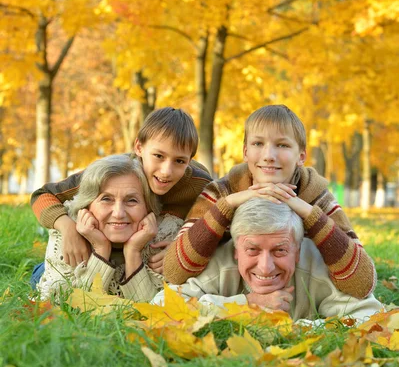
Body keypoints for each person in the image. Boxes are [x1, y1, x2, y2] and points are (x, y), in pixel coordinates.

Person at [163, 105, 376, 299]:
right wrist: (229, 205)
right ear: (245, 152)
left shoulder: (317, 197)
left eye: (282, 145)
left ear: (301, 156)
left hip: (299, 294)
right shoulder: (221, 192)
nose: (269, 155)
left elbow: (363, 284)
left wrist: (305, 211)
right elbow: (174, 272)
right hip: (231, 291)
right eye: (258, 143)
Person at [31, 107, 212, 280]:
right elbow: (43, 195)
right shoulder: (115, 175)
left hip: (149, 257)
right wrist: (68, 228)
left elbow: (218, 226)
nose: (166, 171)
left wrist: (184, 248)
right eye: (158, 156)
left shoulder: (201, 185)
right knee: (46, 276)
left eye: (180, 161)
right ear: (139, 147)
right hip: (102, 249)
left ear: (190, 159)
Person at [154, 199, 383, 321]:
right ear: (236, 249)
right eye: (252, 250)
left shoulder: (317, 264)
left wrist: (303, 329)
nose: (265, 266)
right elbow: (162, 304)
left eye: (280, 250)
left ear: (297, 249)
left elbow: (371, 314)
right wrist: (246, 304)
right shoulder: (222, 263)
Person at [37, 155, 181, 301]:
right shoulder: (68, 232)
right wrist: (101, 248)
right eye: (106, 199)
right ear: (87, 205)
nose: (119, 213)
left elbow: (153, 306)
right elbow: (73, 304)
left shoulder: (166, 234)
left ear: (148, 207)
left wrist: (132, 252)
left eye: (132, 200)